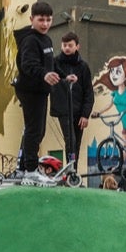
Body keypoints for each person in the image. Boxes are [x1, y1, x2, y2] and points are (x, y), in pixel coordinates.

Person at [12, 2, 59, 172]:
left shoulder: (46, 39)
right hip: (29, 89)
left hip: (41, 90)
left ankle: (24, 167)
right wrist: (44, 74)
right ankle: (31, 170)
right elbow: (28, 64)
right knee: (34, 130)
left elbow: (50, 63)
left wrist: (63, 74)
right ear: (32, 19)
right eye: (41, 20)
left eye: (48, 20)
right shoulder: (30, 40)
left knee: (39, 132)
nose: (45, 24)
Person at [52, 31, 92, 163]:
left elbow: (88, 92)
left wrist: (85, 114)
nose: (67, 48)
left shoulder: (83, 67)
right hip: (63, 109)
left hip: (79, 111)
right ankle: (70, 172)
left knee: (77, 143)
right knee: (70, 140)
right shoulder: (55, 63)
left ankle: (72, 172)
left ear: (77, 46)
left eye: (70, 45)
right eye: (64, 45)